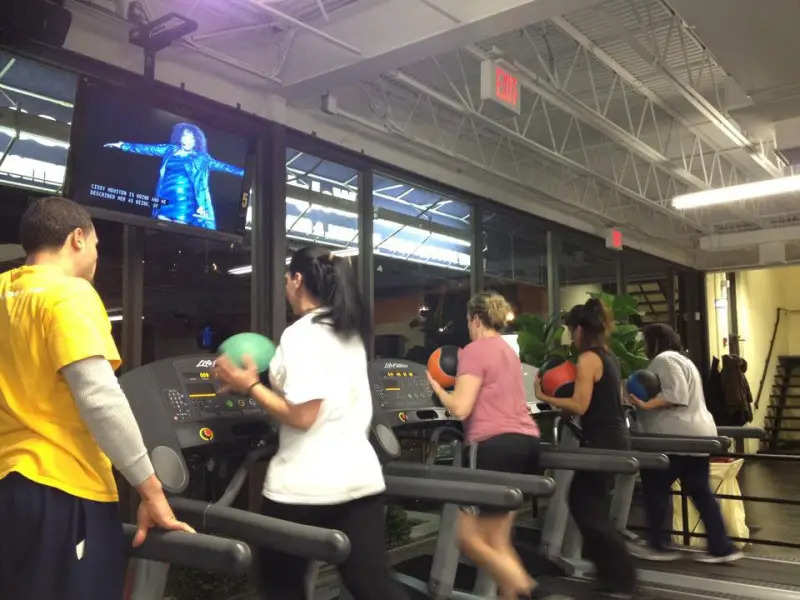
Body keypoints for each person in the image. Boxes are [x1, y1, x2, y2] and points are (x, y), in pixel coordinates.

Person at [0, 196, 194, 600]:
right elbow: (100, 398)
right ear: (76, 239)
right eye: (96, 246)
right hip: (63, 488)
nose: (95, 257)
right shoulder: (69, 294)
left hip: (9, 486)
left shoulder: (4, 291)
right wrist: (151, 492)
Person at [212, 246, 409, 600]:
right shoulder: (348, 332)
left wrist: (251, 386)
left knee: (280, 588)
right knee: (375, 588)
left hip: (304, 487)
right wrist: (253, 385)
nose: (286, 284)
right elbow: (315, 396)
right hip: (360, 482)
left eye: (287, 277)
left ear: (298, 280)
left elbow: (302, 415)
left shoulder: (301, 335)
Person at [427, 291, 541, 600]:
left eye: (467, 321)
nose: (467, 327)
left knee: (469, 539)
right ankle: (515, 592)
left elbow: (461, 409)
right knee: (497, 541)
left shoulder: (475, 350)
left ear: (475, 319)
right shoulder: (508, 352)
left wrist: (439, 389)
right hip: (526, 442)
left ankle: (530, 590)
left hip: (493, 447)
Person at [534, 298, 639, 599]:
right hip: (614, 438)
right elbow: (599, 402)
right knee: (588, 504)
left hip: (603, 442)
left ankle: (623, 577)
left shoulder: (587, 359)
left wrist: (545, 396)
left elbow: (581, 403)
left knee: (584, 504)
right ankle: (612, 575)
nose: (570, 335)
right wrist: (567, 411)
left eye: (570, 330)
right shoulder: (609, 356)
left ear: (579, 329)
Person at [628, 323, 743, 564]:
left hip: (676, 437)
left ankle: (659, 545)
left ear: (655, 341)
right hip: (697, 435)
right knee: (700, 491)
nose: (644, 346)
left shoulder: (664, 359)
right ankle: (721, 547)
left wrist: (644, 406)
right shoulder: (683, 360)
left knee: (655, 488)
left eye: (646, 341)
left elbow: (676, 394)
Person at [104, 122, 244, 230]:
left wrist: (246, 174)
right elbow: (146, 148)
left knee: (178, 235)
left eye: (190, 137)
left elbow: (224, 167)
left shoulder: (202, 158)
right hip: (164, 199)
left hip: (185, 204)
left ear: (196, 141)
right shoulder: (170, 150)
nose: (186, 140)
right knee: (159, 233)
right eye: (184, 135)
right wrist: (122, 145)